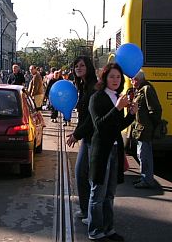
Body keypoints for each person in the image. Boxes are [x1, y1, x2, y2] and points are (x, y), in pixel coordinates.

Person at [86, 63, 137, 241]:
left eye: (118, 77)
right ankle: (95, 231)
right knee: (98, 193)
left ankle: (108, 228)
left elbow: (116, 127)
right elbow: (99, 125)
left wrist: (131, 114)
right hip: (101, 151)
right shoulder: (97, 98)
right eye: (112, 76)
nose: (115, 80)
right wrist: (117, 108)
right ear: (105, 78)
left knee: (110, 194)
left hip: (115, 150)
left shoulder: (117, 96)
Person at [66, 56, 98, 220]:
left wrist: (76, 134)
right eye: (76, 66)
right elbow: (83, 116)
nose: (78, 68)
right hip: (87, 137)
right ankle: (87, 210)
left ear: (89, 67)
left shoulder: (93, 87)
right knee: (81, 173)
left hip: (93, 138)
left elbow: (91, 119)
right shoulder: (84, 86)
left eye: (82, 65)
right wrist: (77, 132)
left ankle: (91, 213)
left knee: (87, 175)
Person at [131, 69, 162, 189]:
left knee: (145, 155)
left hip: (145, 129)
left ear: (137, 79)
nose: (131, 81)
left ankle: (147, 180)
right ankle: (144, 177)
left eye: (132, 79)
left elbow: (155, 109)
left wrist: (153, 125)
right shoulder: (140, 90)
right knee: (141, 154)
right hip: (141, 129)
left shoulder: (147, 89)